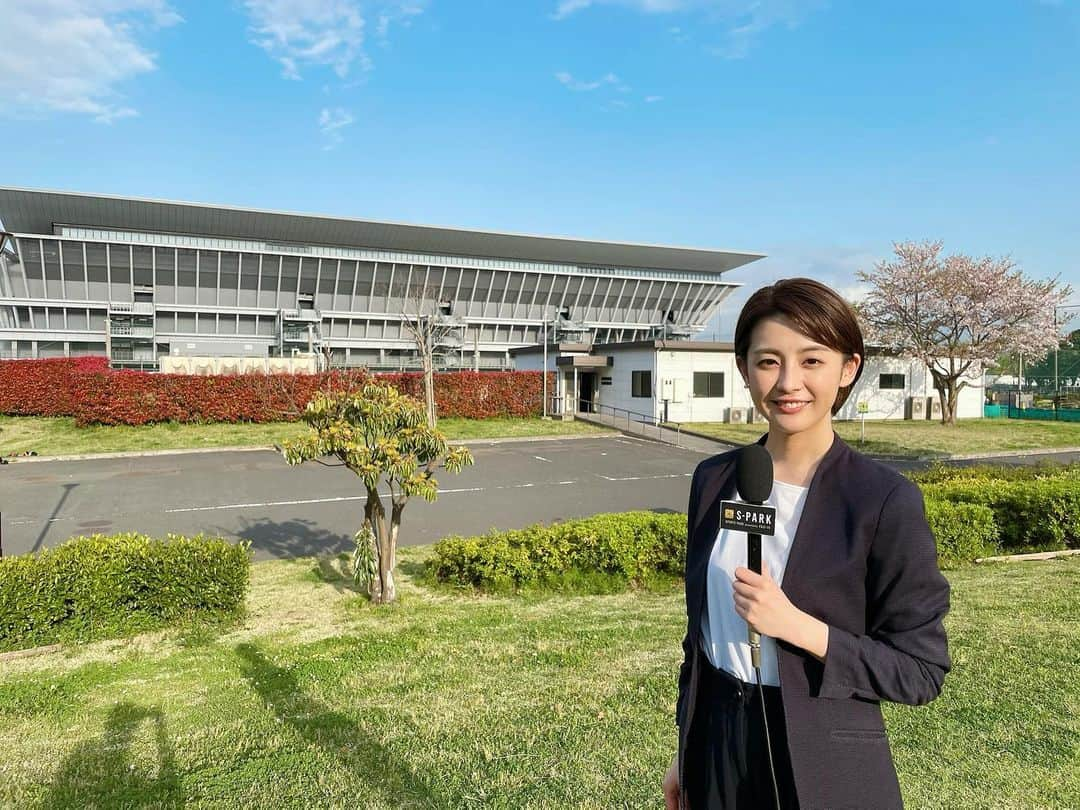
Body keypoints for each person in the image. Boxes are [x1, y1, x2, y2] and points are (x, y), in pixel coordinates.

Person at [662, 278, 951, 809]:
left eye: (812, 361)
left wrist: (799, 628)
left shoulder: (882, 500)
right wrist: (686, 745)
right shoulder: (713, 479)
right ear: (745, 369)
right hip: (717, 743)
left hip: (821, 757)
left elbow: (920, 671)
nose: (788, 382)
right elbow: (698, 637)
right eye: (768, 361)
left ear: (848, 369)